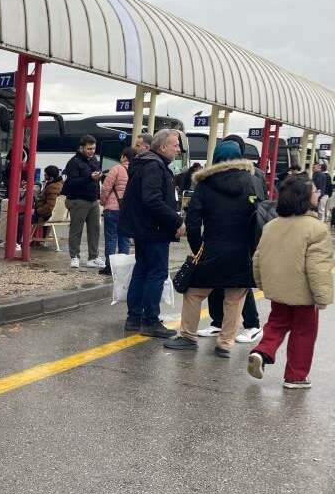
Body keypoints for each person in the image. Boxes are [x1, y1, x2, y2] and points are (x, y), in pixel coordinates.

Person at [163, 141, 256, 357]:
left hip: (212, 247)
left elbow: (193, 223)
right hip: (241, 250)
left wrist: (197, 249)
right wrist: (251, 249)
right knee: (234, 296)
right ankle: (225, 343)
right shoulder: (251, 182)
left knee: (194, 292)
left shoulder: (205, 184)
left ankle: (188, 336)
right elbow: (257, 218)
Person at [248, 176, 333, 388]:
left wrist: (262, 283)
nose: (318, 194)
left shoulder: (272, 225)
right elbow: (318, 267)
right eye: (314, 191)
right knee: (303, 334)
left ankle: (262, 351)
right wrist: (322, 297)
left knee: (276, 323)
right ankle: (296, 376)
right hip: (304, 294)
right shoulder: (317, 229)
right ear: (305, 197)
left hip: (278, 289)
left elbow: (258, 258)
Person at [119, 129, 185, 338]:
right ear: (163, 147)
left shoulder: (146, 164)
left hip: (143, 229)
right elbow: (152, 200)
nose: (178, 149)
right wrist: (176, 220)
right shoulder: (155, 167)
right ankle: (150, 321)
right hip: (154, 229)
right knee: (156, 273)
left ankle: (134, 318)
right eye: (175, 145)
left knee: (142, 271)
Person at [61, 135, 103, 269]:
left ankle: (93, 257)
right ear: (81, 148)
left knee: (95, 230)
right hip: (78, 200)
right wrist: (90, 178)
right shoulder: (74, 162)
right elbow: (72, 182)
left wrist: (98, 177)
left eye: (94, 148)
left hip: (93, 200)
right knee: (76, 230)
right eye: (89, 148)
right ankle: (74, 256)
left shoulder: (94, 160)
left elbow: (95, 175)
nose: (92, 151)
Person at [98, 147, 135, 275]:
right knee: (124, 239)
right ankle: (123, 268)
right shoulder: (136, 170)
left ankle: (110, 267)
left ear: (124, 156)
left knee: (111, 238)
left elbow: (106, 187)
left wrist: (103, 202)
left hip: (113, 208)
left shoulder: (116, 169)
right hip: (128, 210)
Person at [14, 165, 64, 252]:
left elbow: (49, 207)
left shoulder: (52, 187)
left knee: (21, 218)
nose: (44, 176)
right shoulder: (59, 184)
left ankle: (18, 243)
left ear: (51, 177)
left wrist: (36, 211)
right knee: (24, 215)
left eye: (45, 175)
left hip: (45, 214)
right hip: (51, 214)